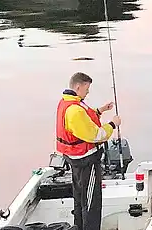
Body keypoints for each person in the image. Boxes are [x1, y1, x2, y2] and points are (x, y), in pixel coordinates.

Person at [56, 72, 121, 230]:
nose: (88, 92)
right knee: (92, 201)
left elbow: (84, 119)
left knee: (79, 197)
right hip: (86, 160)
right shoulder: (75, 111)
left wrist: (100, 110)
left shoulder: (68, 101)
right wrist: (112, 124)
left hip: (74, 158)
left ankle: (78, 226)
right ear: (78, 87)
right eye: (87, 88)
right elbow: (95, 135)